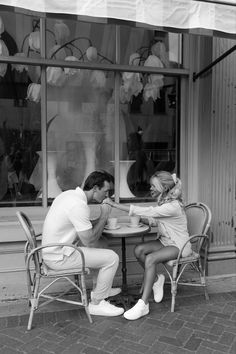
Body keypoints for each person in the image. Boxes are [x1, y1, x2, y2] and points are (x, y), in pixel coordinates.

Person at [103, 170, 192, 320]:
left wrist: (114, 204)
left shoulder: (173, 206)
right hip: (165, 241)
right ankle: (157, 279)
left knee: (150, 259)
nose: (150, 189)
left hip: (178, 245)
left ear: (163, 188)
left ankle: (143, 304)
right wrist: (144, 221)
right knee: (138, 250)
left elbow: (150, 211)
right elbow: (158, 220)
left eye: (153, 186)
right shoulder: (164, 200)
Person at [42, 170, 124, 317]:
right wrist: (104, 216)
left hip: (53, 251)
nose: (108, 196)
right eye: (106, 191)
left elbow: (82, 227)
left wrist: (98, 220)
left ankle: (100, 289)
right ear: (95, 188)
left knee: (103, 244)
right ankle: (97, 303)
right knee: (112, 258)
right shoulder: (78, 205)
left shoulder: (69, 195)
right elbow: (90, 242)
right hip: (59, 257)